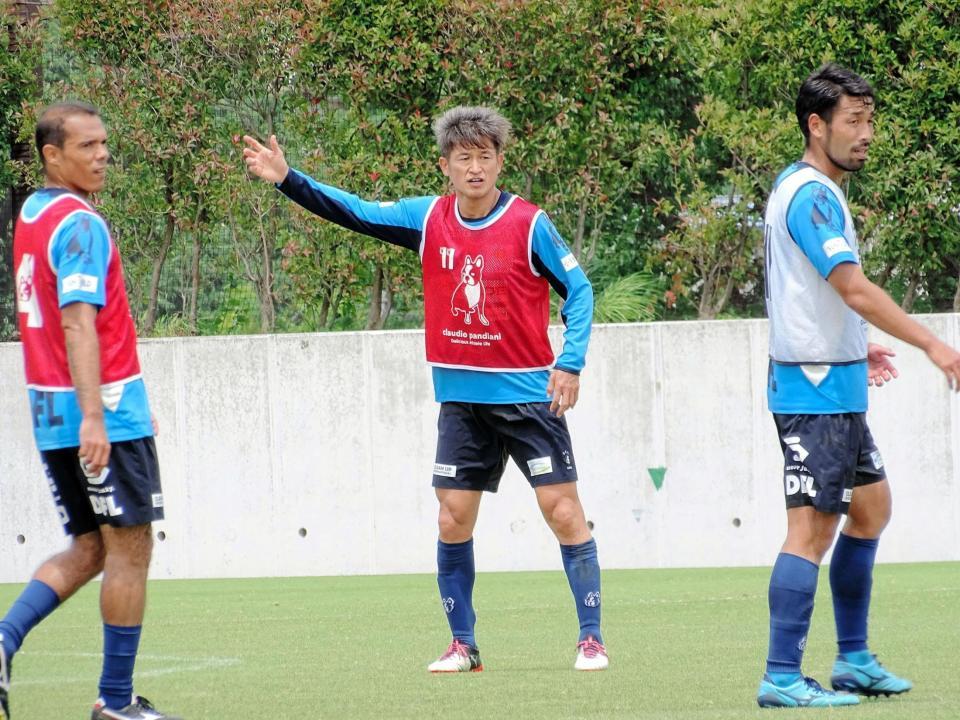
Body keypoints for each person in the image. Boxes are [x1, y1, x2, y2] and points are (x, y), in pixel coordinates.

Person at [243, 105, 607, 672]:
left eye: (485, 157)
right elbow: (356, 211)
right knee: (451, 519)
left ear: (500, 161)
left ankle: (591, 639)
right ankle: (463, 645)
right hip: (461, 402)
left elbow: (579, 291)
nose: (475, 168)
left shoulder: (530, 224)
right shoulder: (428, 218)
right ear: (446, 166)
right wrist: (288, 179)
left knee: (563, 512)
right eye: (464, 158)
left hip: (528, 398)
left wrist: (571, 362)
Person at [758, 64, 960, 708]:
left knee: (871, 509)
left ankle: (852, 660)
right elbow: (851, 287)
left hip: (836, 383)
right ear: (816, 126)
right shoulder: (811, 195)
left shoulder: (813, 189)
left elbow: (814, 294)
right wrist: (931, 342)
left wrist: (856, 342)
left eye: (870, 120)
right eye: (854, 120)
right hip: (813, 391)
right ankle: (781, 676)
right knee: (811, 530)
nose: (867, 133)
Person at [1, 102, 181, 720]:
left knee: (88, 547)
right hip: (97, 413)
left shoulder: (31, 213)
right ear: (52, 155)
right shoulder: (81, 224)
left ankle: (3, 641)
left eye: (104, 143)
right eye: (87, 146)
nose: (102, 155)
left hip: (52, 413)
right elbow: (78, 324)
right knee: (129, 549)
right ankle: (116, 702)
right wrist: (99, 417)